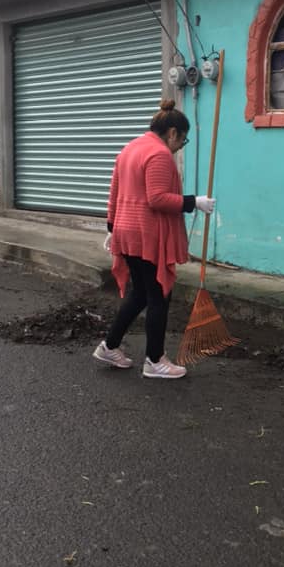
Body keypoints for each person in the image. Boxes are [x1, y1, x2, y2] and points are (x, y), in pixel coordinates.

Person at [93, 100, 215, 379]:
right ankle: (155, 360)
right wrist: (193, 202)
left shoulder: (130, 149)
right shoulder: (158, 154)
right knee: (159, 293)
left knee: (140, 294)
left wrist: (112, 227)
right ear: (172, 133)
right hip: (145, 234)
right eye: (182, 141)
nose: (179, 147)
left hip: (127, 231)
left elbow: (114, 191)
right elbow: (157, 198)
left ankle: (109, 346)